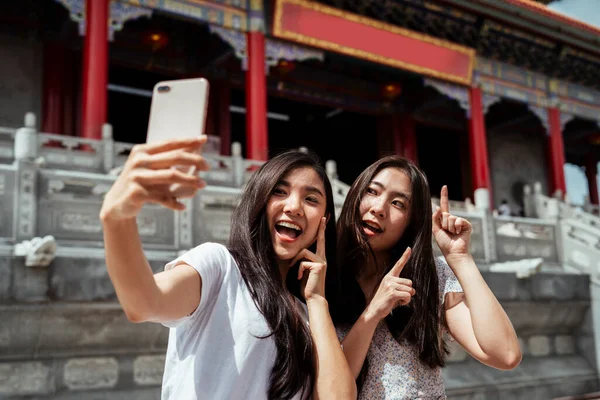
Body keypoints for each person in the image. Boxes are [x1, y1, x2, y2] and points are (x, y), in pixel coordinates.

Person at [99, 136, 356, 400]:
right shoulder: (220, 268)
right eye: (279, 191)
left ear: (323, 224)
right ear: (260, 200)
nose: (294, 207)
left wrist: (316, 300)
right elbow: (144, 303)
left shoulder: (309, 315)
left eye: (311, 199)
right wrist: (117, 219)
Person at [329, 155, 521, 399]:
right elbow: (330, 389)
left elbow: (505, 354)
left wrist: (461, 258)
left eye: (398, 203)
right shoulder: (321, 277)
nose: (378, 208)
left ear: (412, 222)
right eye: (371, 192)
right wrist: (373, 312)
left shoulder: (428, 279)